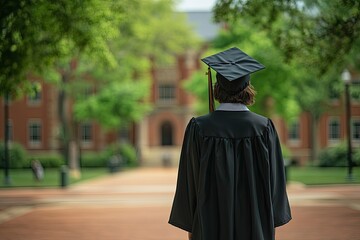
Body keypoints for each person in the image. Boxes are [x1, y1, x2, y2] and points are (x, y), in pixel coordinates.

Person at [169, 47, 291, 240]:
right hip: (255, 226)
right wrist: (268, 220)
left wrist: (192, 226)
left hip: (209, 227)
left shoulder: (199, 128)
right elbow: (275, 183)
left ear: (217, 87)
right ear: (247, 87)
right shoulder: (264, 128)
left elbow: (189, 182)